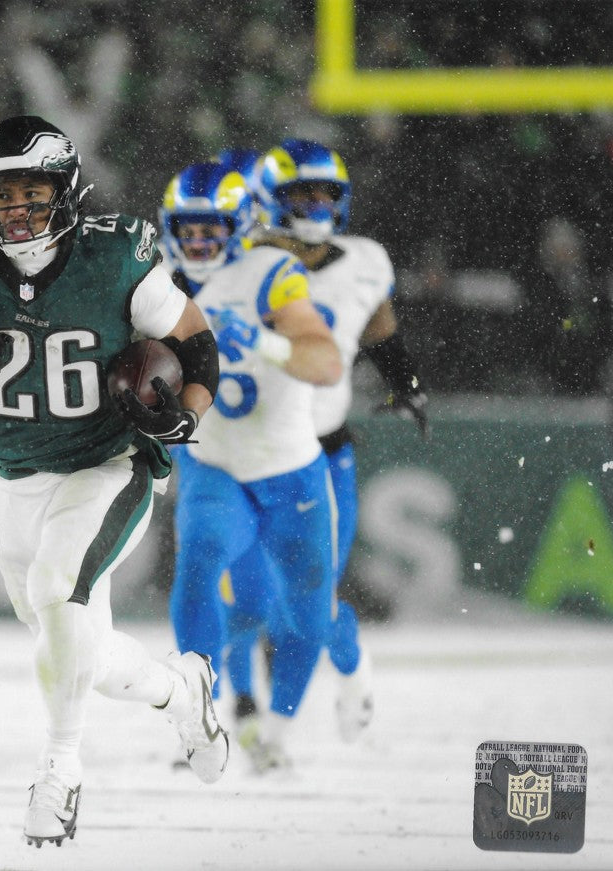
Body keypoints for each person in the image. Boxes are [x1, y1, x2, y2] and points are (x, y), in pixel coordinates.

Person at [0, 116, 228, 847]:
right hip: (17, 476)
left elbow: (198, 351)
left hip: (110, 461)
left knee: (57, 589)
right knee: (73, 639)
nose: (17, 209)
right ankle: (183, 689)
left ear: (65, 189)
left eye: (33, 191)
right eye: (4, 195)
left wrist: (184, 419)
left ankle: (60, 774)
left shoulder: (111, 256)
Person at [226, 139, 429, 750]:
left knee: (308, 603)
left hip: (321, 452)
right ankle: (244, 712)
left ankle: (346, 669)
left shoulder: (364, 261)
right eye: (301, 193)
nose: (316, 204)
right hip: (246, 450)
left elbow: (378, 326)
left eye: (325, 194)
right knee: (247, 596)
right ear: (269, 198)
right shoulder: (233, 259)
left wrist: (407, 384)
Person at [158, 158, 344, 773]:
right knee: (201, 557)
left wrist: (264, 341)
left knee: (309, 609)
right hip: (215, 463)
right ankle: (199, 713)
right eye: (187, 230)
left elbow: (325, 363)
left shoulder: (273, 272)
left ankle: (277, 731)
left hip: (290, 467)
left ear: (241, 226)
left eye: (211, 229)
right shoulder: (156, 283)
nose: (198, 242)